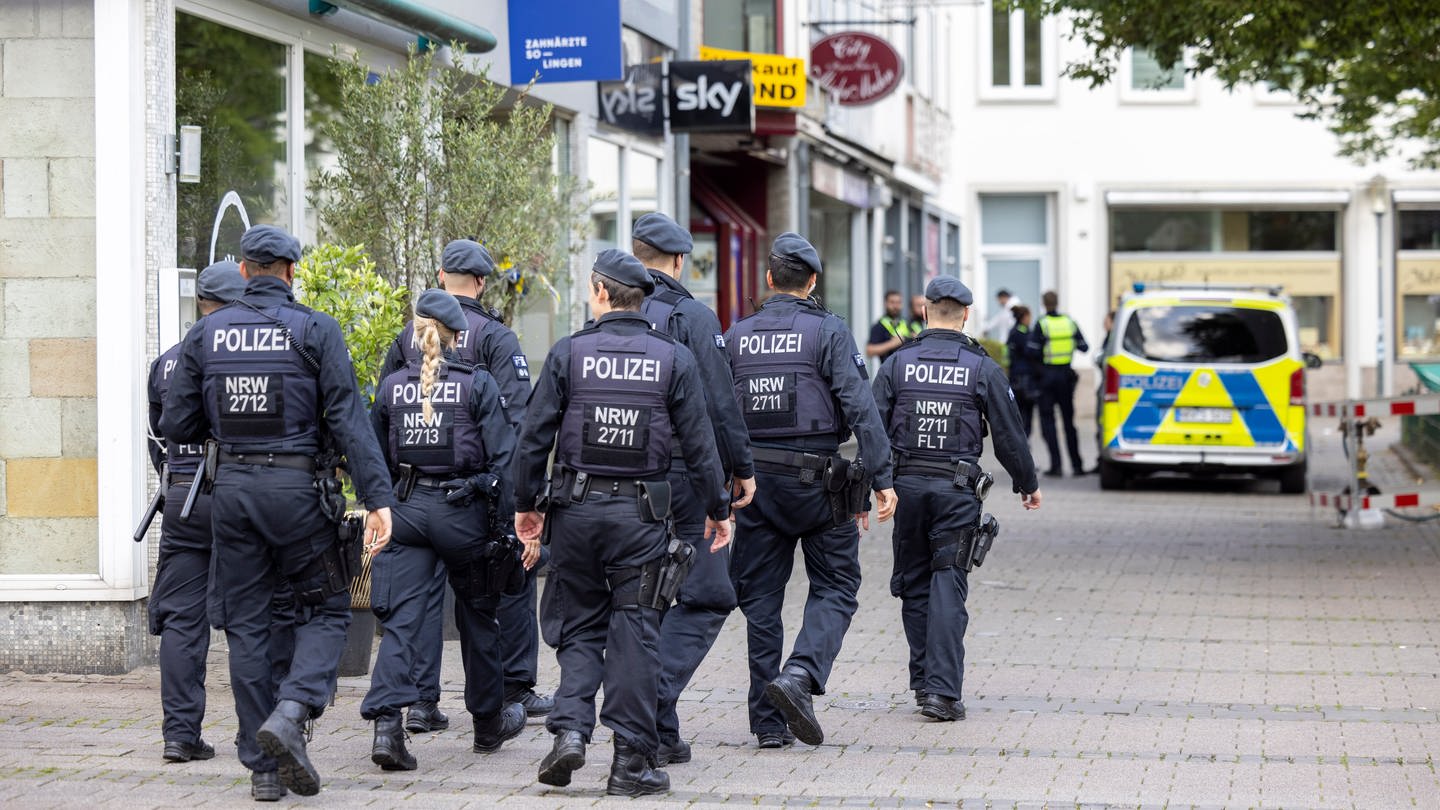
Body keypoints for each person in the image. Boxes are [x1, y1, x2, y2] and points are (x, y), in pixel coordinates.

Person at [160, 224, 395, 802]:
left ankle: (262, 771)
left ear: (243, 271)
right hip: (299, 495)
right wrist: (379, 500)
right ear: (292, 273)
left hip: (232, 496)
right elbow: (348, 422)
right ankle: (291, 714)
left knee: (246, 627)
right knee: (329, 608)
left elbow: (176, 426)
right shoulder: (316, 328)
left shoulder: (207, 332)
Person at [513, 250, 732, 797]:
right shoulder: (673, 358)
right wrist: (718, 509)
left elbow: (533, 437)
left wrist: (526, 505)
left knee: (582, 626)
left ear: (601, 292)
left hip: (576, 515)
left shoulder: (568, 353)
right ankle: (630, 764)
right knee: (635, 630)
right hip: (641, 518)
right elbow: (701, 445)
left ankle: (568, 732)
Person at [724, 232, 897, 749]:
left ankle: (768, 725)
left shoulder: (736, 335)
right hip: (819, 484)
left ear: (770, 280)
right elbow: (860, 407)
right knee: (838, 587)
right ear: (813, 281)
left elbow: (719, 415)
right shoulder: (828, 331)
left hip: (753, 484)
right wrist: (880, 478)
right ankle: (799, 675)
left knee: (760, 603)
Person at [378, 239, 551, 731]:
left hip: (410, 500)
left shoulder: (405, 338)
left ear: (440, 275)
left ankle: (420, 703)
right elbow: (515, 423)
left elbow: (385, 419)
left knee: (418, 601)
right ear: (479, 282)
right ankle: (509, 693)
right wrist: (519, 498)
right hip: (472, 497)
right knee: (497, 592)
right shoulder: (497, 338)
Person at [362, 289, 530, 771]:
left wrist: (383, 507)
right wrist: (504, 528)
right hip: (464, 515)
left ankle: (388, 728)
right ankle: (486, 726)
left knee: (402, 622)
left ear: (414, 334)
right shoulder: (477, 385)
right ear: (459, 336)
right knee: (479, 618)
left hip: (408, 511)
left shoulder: (392, 386)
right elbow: (504, 460)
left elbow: (374, 457)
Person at [873, 276, 1042, 721]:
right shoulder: (980, 366)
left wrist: (872, 486)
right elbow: (1008, 433)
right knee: (947, 583)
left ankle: (924, 681)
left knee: (913, 585)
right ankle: (942, 693)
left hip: (906, 489)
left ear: (925, 311)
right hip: (956, 491)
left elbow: (872, 427)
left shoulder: (897, 363)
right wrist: (1027, 482)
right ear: (965, 315)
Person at [631, 213, 756, 767]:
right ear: (680, 261)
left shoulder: (612, 312)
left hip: (618, 482)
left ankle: (660, 729)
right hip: (682, 478)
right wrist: (739, 471)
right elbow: (720, 403)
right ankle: (650, 701)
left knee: (644, 599)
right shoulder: (694, 317)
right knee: (708, 595)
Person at [144, 260, 246, 765]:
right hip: (236, 496)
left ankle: (180, 736)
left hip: (182, 497)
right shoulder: (242, 355)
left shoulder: (165, 361)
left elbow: (159, 437)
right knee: (252, 615)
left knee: (183, 622)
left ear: (200, 302)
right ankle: (257, 738)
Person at [1026, 290, 1090, 477]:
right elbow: (1084, 347)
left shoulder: (1042, 324)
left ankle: (1056, 466)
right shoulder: (1069, 322)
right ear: (1057, 302)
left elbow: (1031, 352)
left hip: (1047, 378)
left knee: (1048, 422)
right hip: (1066, 378)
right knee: (1069, 423)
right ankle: (1077, 466)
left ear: (1044, 304)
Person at [1005, 305, 1038, 436]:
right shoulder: (1024, 333)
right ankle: (1024, 439)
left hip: (1015, 376)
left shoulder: (1013, 332)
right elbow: (1031, 354)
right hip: (1025, 377)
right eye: (1029, 316)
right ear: (1024, 317)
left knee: (1019, 411)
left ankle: (1022, 439)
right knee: (1026, 411)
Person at [866, 290, 921, 361]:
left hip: (909, 368)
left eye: (898, 303)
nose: (895, 306)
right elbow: (869, 351)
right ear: (885, 303)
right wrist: (892, 344)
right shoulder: (879, 326)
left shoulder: (908, 323)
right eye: (892, 302)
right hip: (890, 369)